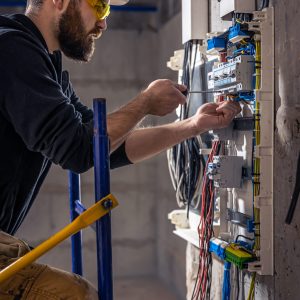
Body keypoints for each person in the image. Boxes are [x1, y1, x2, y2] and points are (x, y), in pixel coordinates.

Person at [0, 0, 241, 298]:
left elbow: (103, 146)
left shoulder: (42, 62)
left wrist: (193, 125)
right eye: (100, 6)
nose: (103, 24)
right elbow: (76, 149)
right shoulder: (12, 50)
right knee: (76, 294)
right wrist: (144, 103)